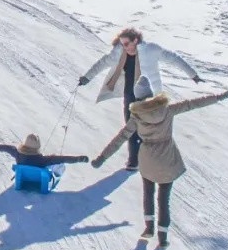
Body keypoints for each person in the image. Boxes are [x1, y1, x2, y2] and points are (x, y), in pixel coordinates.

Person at [91, 76, 228, 248]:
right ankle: (163, 238)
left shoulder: (136, 117)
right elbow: (193, 104)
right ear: (151, 94)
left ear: (137, 97)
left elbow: (121, 138)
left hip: (148, 158)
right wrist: (218, 97)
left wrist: (102, 158)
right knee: (164, 199)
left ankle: (149, 228)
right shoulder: (167, 109)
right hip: (167, 157)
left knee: (148, 193)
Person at [78, 27, 204, 171]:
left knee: (153, 127)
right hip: (130, 95)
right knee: (131, 127)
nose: (123, 47)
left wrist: (192, 74)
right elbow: (102, 63)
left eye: (126, 44)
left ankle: (155, 158)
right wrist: (87, 77)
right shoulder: (119, 52)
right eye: (121, 44)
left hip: (149, 96)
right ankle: (134, 161)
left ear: (135, 41)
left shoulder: (151, 50)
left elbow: (174, 59)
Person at [0, 134, 90, 168]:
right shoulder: (41, 160)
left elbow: (8, 148)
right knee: (57, 163)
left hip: (23, 175)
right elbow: (62, 158)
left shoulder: (18, 154)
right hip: (38, 179)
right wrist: (78, 159)